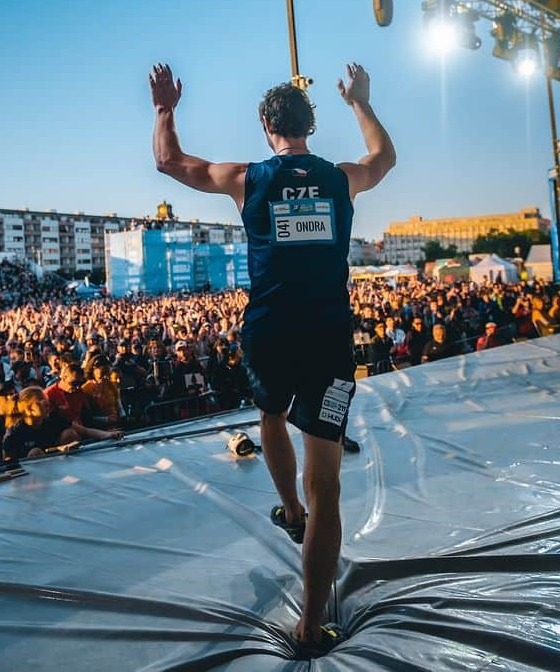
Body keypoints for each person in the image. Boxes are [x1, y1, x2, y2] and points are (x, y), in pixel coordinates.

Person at [149, 61, 395, 654]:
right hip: (330, 339)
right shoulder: (339, 179)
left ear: (266, 126)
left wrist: (163, 110)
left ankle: (289, 508)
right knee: (328, 486)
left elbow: (169, 163)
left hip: (268, 333)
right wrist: (361, 102)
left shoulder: (247, 177)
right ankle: (311, 626)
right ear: (310, 125)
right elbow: (383, 159)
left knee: (270, 413)